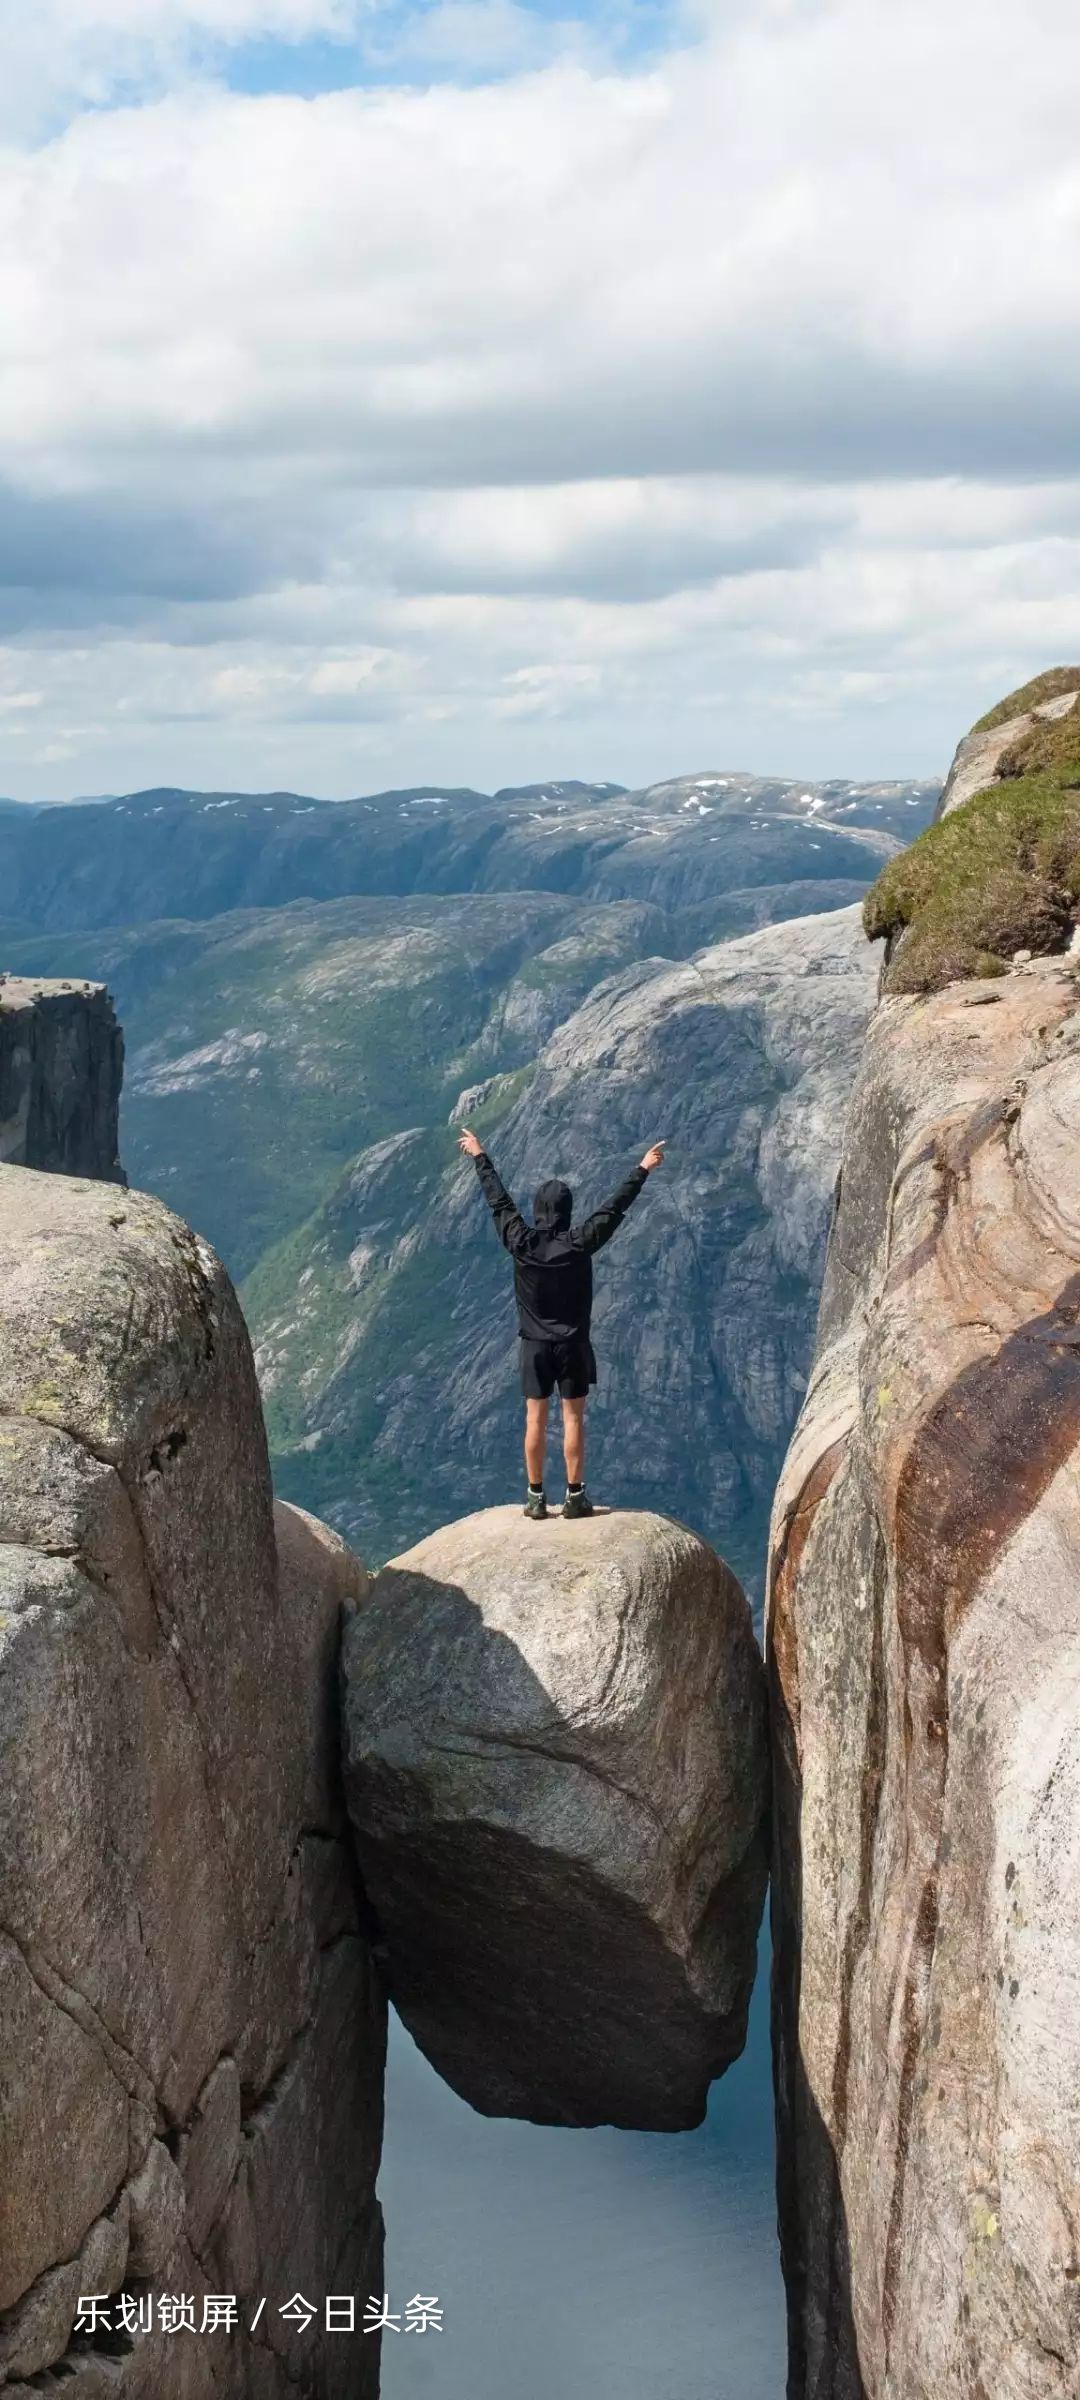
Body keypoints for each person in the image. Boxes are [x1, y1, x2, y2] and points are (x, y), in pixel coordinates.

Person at [458, 1126, 666, 1519]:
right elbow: (613, 1209)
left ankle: (535, 1498)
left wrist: (480, 1157)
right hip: (573, 1345)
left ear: (537, 1209)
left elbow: (498, 1202)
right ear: (568, 1210)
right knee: (573, 1418)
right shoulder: (580, 1242)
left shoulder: (520, 1240)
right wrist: (642, 1169)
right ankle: (575, 1496)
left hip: (534, 1345)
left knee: (534, 1418)